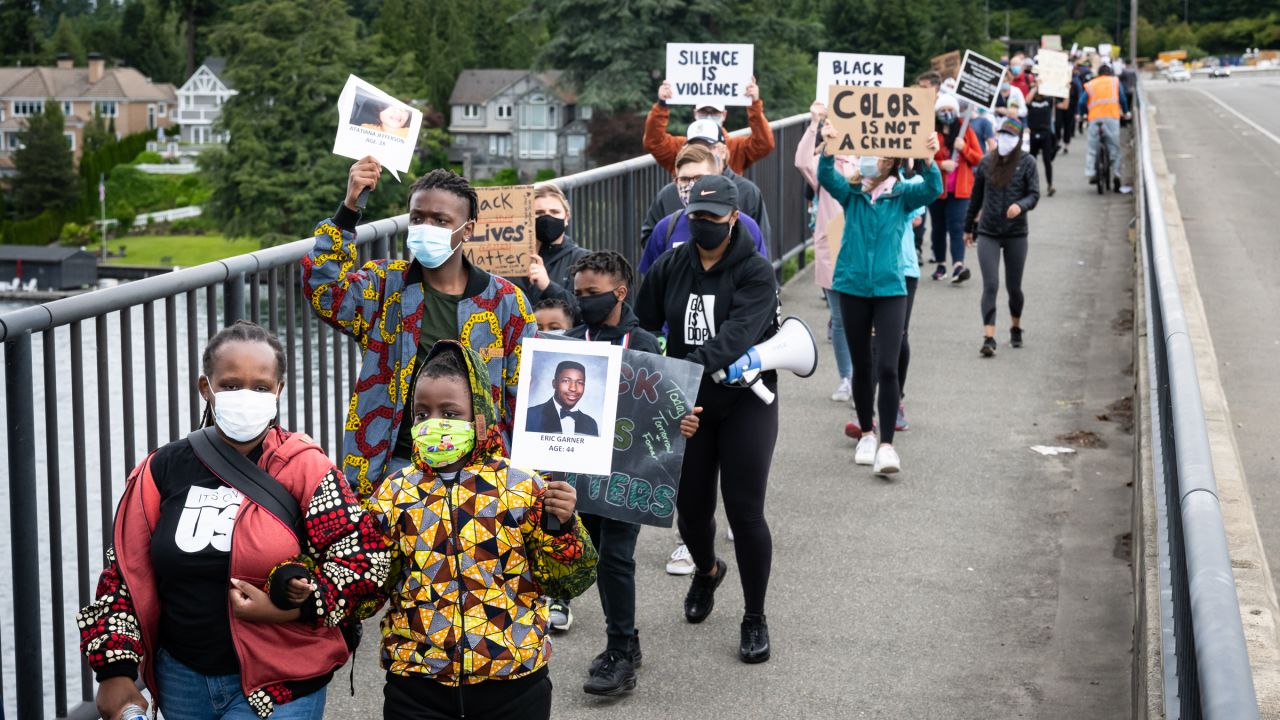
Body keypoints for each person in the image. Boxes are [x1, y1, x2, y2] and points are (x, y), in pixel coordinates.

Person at [78, 321, 390, 720]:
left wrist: (295, 606)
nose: (246, 396)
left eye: (260, 387)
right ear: (205, 388)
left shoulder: (306, 469)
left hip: (280, 686)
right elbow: (122, 572)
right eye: (230, 384)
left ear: (278, 390)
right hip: (181, 681)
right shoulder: (160, 470)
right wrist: (115, 670)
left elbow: (366, 561)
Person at [369, 340, 598, 720]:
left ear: (479, 415)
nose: (434, 423)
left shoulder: (524, 486)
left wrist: (564, 528)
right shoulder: (393, 493)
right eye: (422, 413)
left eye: (450, 412)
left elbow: (570, 582)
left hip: (513, 682)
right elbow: (370, 585)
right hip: (417, 684)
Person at [303, 159, 536, 500]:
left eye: (441, 220)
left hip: (480, 472)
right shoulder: (384, 285)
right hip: (391, 465)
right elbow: (324, 292)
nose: (427, 227)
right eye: (418, 218)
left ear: (467, 229)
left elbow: (525, 395)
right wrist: (349, 210)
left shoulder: (506, 303)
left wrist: (525, 478)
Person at [636, 173, 780, 664]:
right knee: (691, 513)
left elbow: (737, 336)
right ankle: (706, 570)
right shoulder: (672, 263)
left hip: (744, 402)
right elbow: (643, 320)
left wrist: (683, 368)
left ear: (734, 219)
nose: (703, 227)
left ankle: (755, 616)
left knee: (746, 511)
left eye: (712, 219)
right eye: (695, 218)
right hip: (686, 405)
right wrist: (644, 366)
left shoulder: (756, 271)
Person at [561, 250, 700, 696]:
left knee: (616, 558)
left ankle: (619, 652)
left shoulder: (641, 344)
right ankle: (627, 637)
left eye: (594, 294)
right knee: (599, 555)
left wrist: (684, 423)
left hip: (625, 472)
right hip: (578, 470)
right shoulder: (567, 340)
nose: (584, 301)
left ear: (620, 292)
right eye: (578, 293)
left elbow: (665, 406)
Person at [818, 123, 942, 475]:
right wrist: (828, 144)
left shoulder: (903, 195)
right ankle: (867, 433)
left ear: (893, 161)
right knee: (862, 366)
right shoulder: (852, 193)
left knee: (887, 366)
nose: (874, 159)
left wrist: (929, 158)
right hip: (853, 287)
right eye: (870, 152)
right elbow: (826, 174)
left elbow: (934, 188)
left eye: (882, 154)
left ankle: (887, 445)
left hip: (890, 289)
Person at [964, 118, 1041, 357]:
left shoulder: (1027, 163)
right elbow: (975, 197)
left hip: (1016, 233)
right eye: (1002, 134)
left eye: (1010, 135)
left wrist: (1021, 205)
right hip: (988, 231)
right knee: (991, 284)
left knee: (1013, 287)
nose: (1004, 139)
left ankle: (1016, 326)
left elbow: (1034, 194)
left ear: (1018, 140)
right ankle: (989, 336)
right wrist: (968, 228)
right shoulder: (987, 162)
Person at [795, 100, 854, 403]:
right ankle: (847, 378)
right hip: (832, 249)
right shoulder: (825, 166)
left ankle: (864, 375)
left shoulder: (871, 162)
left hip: (865, 251)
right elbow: (802, 160)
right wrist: (814, 123)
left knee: (865, 321)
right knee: (840, 318)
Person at [640, 123, 772, 252]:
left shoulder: (747, 192)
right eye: (693, 146)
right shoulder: (668, 195)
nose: (701, 151)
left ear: (723, 151)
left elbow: (761, 245)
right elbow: (650, 243)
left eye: (708, 146)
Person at [643, 76, 774, 175]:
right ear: (695, 113)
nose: (709, 115)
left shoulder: (735, 148)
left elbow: (764, 144)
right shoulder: (680, 147)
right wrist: (662, 104)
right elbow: (654, 142)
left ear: (724, 115)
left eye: (714, 112)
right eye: (704, 111)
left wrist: (754, 105)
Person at [929, 93, 983, 284]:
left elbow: (978, 158)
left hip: (960, 190)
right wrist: (940, 165)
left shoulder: (965, 129)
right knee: (938, 228)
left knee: (957, 227)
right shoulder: (931, 131)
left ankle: (958, 265)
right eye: (942, 110)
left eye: (949, 109)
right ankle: (941, 264)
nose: (946, 113)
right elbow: (921, 159)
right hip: (937, 189)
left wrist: (964, 148)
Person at [512, 183, 589, 312]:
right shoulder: (509, 258)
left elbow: (586, 311)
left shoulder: (583, 259)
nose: (547, 217)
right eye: (539, 213)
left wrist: (548, 286)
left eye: (555, 212)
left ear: (566, 217)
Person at [1079, 64, 1131, 193]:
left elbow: (1081, 102)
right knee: (1114, 148)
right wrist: (1126, 112)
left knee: (1092, 147)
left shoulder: (1091, 84)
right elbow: (1123, 99)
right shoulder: (1115, 82)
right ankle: (1117, 175)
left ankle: (1091, 173)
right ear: (1110, 73)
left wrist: (1083, 114)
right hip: (1111, 118)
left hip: (1094, 118)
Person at [525, 360, 600, 436]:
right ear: (554, 384)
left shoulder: (591, 424)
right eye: (566, 381)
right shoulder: (530, 416)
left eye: (579, 382)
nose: (573, 388)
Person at [1025, 71, 1062, 196]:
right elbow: (1026, 101)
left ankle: (1050, 185)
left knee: (1047, 161)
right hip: (1033, 133)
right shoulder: (1031, 102)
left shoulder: (1048, 100)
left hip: (1045, 134)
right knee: (1031, 161)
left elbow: (1056, 94)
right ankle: (1030, 186)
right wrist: (1035, 87)